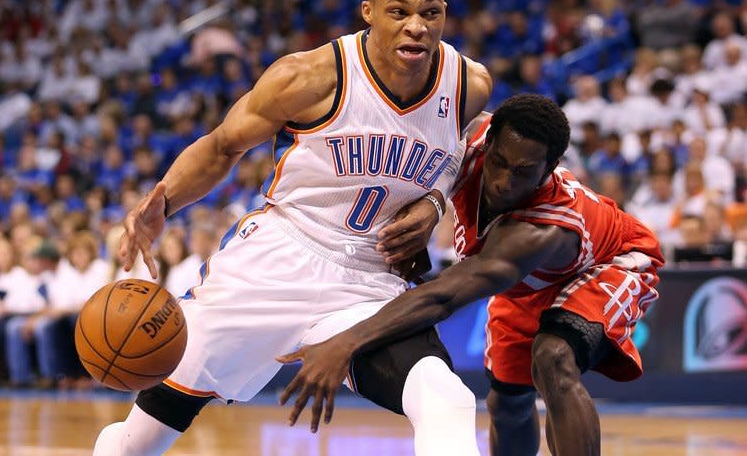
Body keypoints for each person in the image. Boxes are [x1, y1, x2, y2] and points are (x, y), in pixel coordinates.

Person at [93, 0, 492, 456]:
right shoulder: (306, 77)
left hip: (369, 280)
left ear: (445, 14)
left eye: (430, 13)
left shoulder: (468, 85)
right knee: (140, 441)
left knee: (447, 400)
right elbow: (223, 146)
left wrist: (434, 202)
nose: (416, 26)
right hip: (277, 261)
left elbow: (455, 147)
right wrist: (164, 201)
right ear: (368, 12)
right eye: (399, 11)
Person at [280, 94, 664, 456]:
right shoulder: (471, 134)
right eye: (499, 162)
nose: (503, 181)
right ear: (490, 139)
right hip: (530, 283)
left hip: (612, 263)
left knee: (552, 357)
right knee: (507, 401)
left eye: (523, 173)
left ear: (550, 169)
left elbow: (442, 297)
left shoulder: (540, 230)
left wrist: (345, 343)